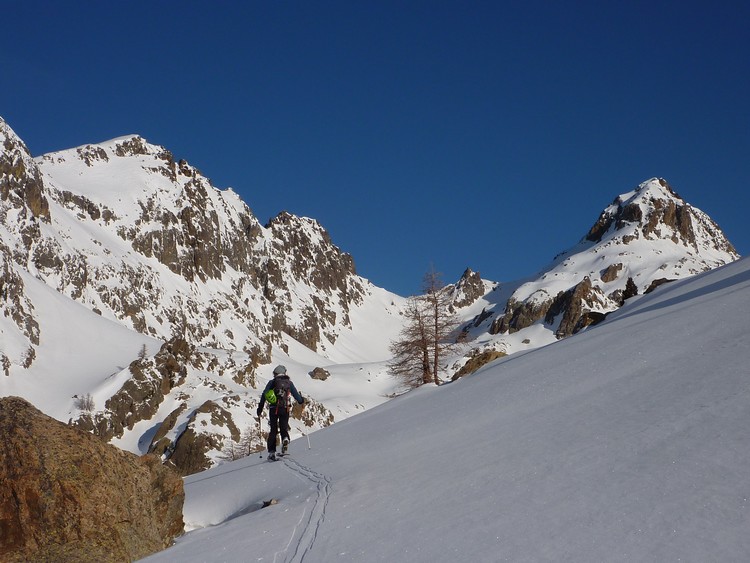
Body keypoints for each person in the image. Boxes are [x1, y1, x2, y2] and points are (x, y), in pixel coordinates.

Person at [256, 365, 304, 461]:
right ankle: (285, 439)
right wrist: (301, 401)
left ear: (275, 373)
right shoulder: (289, 383)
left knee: (273, 430)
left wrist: (260, 408)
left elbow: (264, 395)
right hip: (285, 408)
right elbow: (296, 396)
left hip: (274, 409)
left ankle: (271, 453)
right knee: (283, 427)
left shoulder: (272, 382)